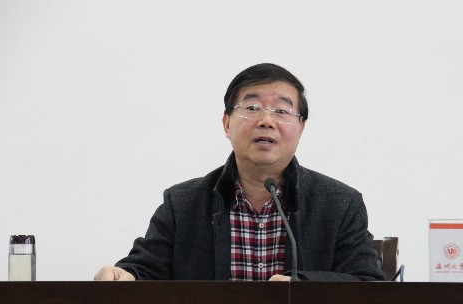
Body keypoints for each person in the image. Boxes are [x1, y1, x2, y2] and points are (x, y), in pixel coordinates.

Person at [94, 63, 385, 282]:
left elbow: (367, 283)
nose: (266, 120)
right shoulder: (182, 204)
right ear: (226, 123)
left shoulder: (339, 204)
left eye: (282, 111)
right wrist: (124, 276)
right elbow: (145, 269)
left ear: (301, 128)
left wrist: (302, 286)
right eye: (252, 107)